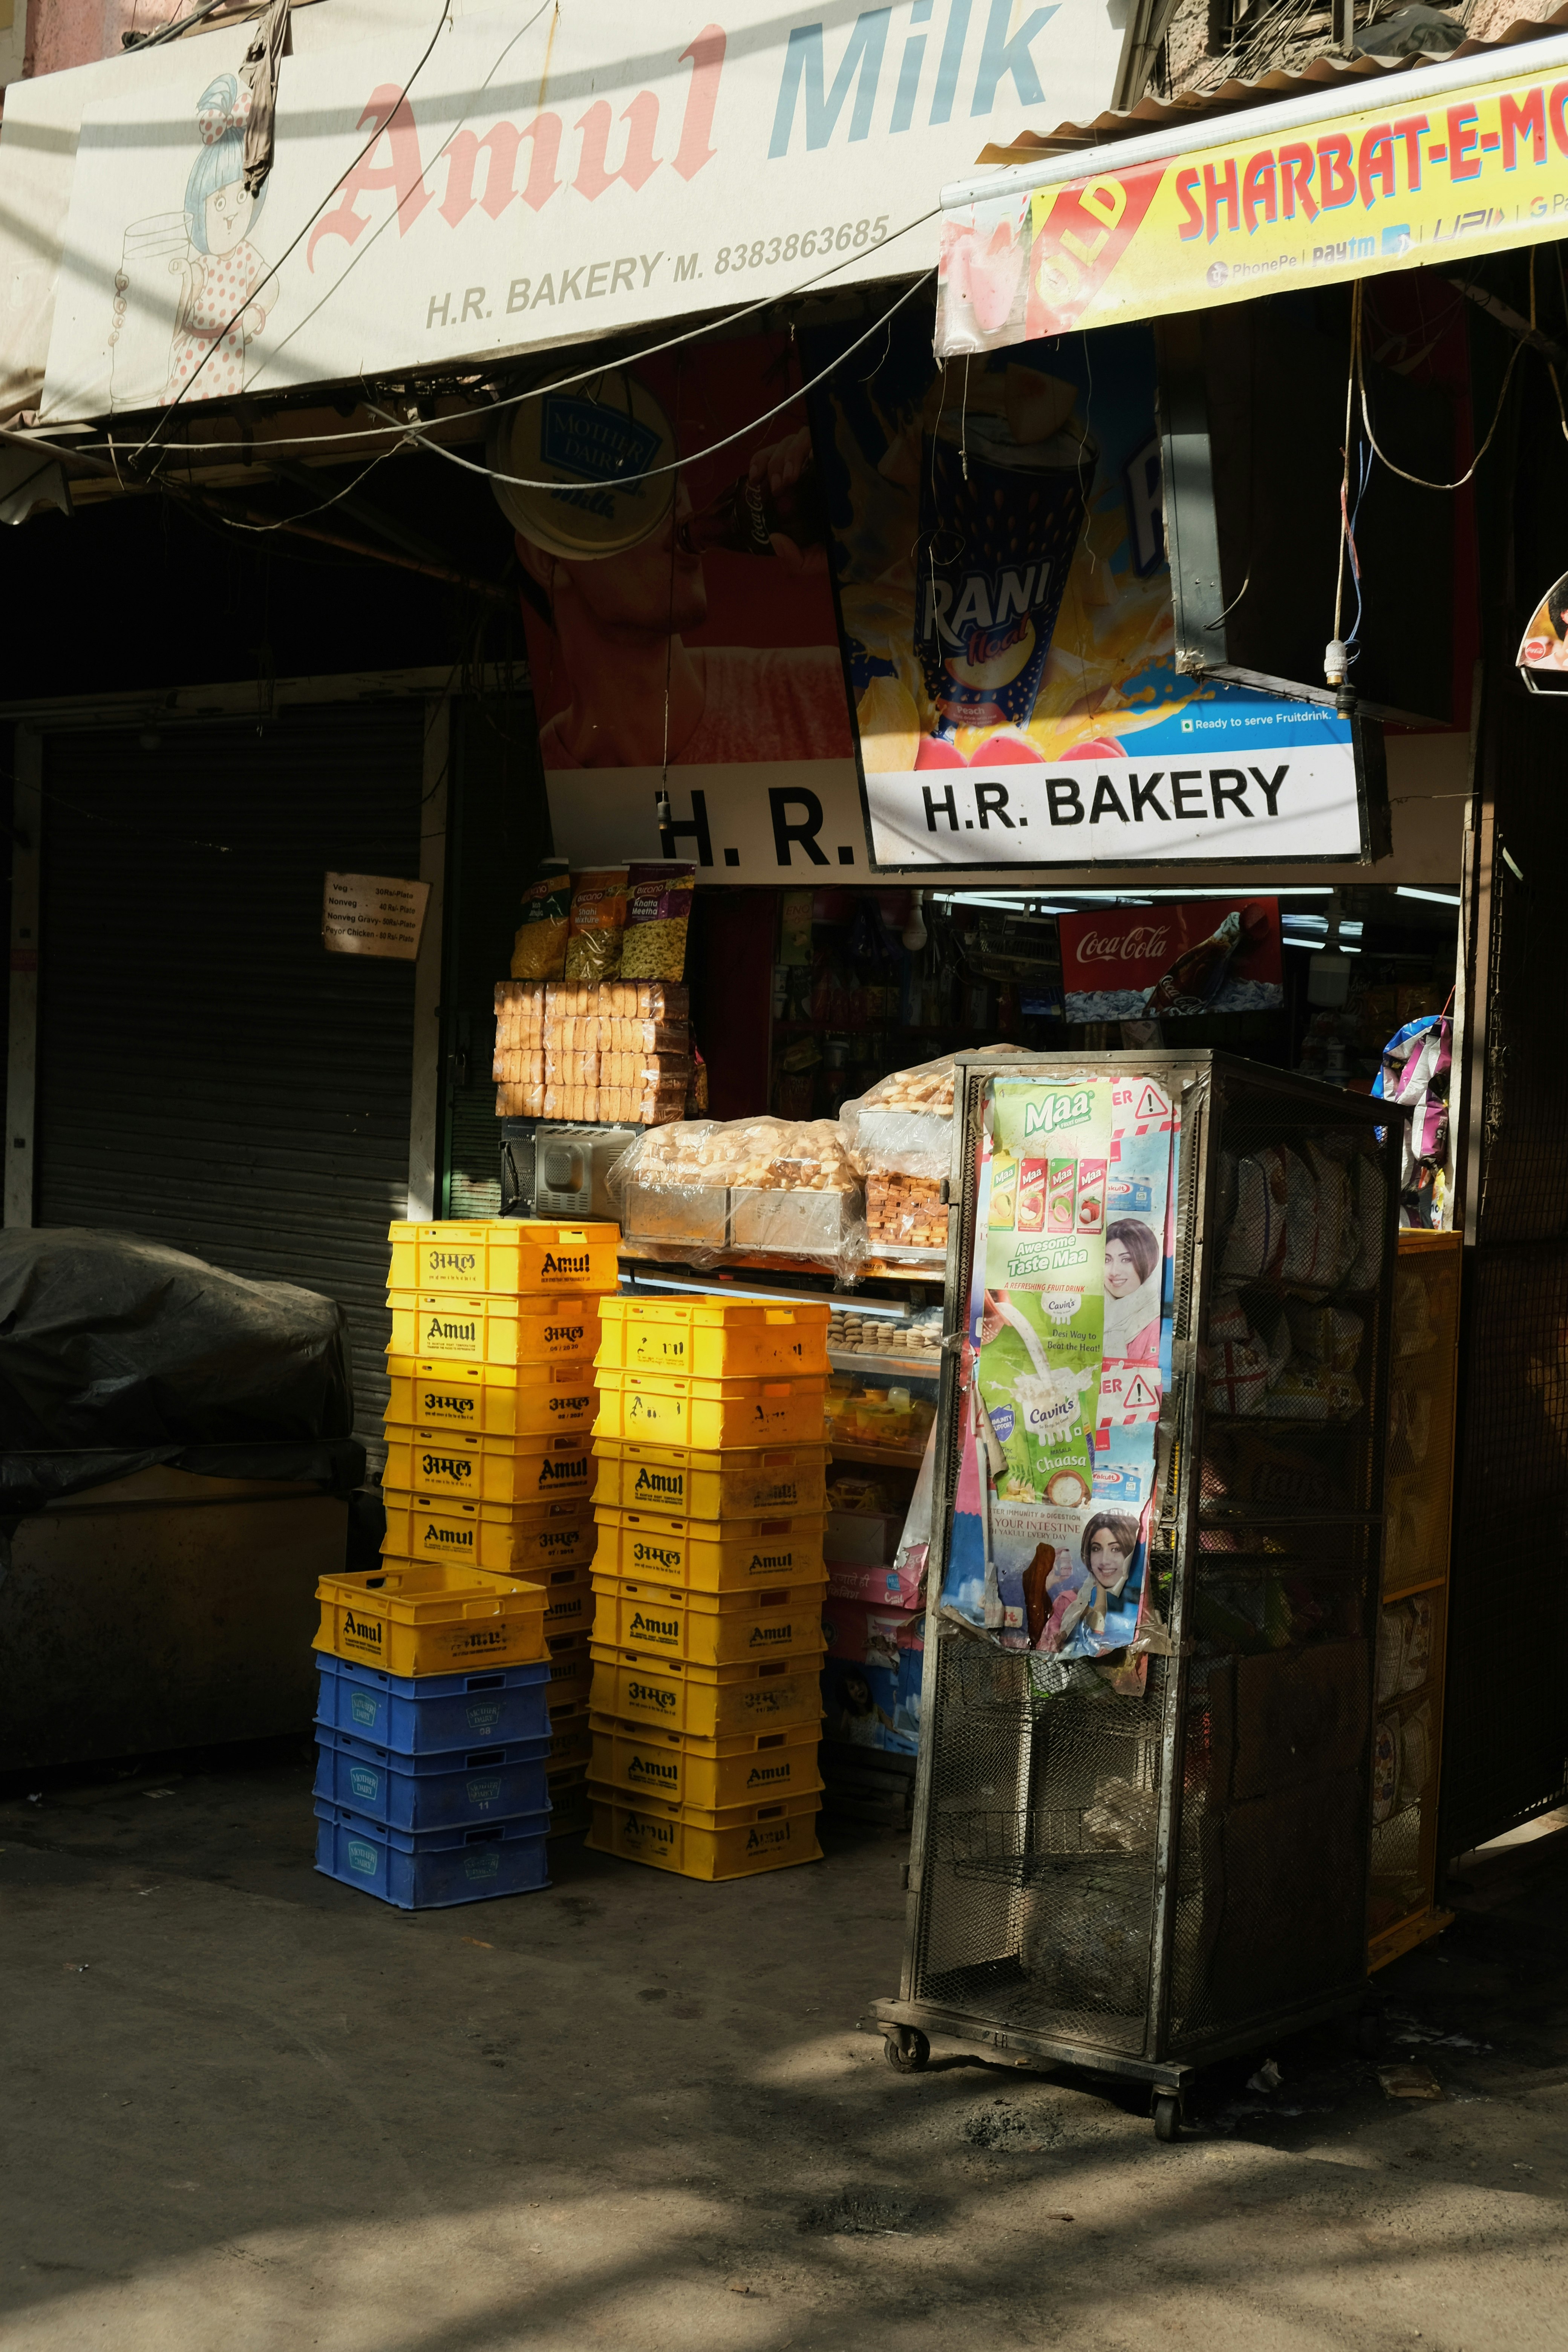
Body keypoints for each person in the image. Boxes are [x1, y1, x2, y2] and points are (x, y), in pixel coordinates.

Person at [516, 422, 853, 769]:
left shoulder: (831, 692)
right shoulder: (540, 785)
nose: (676, 496)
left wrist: (878, 538)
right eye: (628, 486)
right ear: (548, 558)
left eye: (671, 472)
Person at [161, 75, 274, 406]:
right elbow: (189, 290)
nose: (230, 213)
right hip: (194, 353)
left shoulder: (246, 257)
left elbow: (269, 285)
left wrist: (256, 312)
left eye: (241, 196)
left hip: (228, 353)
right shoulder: (205, 263)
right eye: (219, 202)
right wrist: (184, 273)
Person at [1053, 1512, 1141, 1648]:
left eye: (1116, 1549)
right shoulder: (1092, 1582)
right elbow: (1097, 1616)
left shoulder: (1137, 1581)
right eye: (1097, 1549)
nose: (1104, 1560)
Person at [1102, 1217, 1161, 1362]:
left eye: (1126, 1260)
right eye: (1107, 1260)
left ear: (1146, 1261)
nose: (1114, 1272)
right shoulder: (1085, 1309)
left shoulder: (1156, 1323)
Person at [834, 1668, 896, 1746]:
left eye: (860, 1683)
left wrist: (896, 1703)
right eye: (852, 1688)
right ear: (847, 1695)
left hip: (874, 1755)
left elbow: (892, 1726)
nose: (858, 1688)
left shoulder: (876, 1710)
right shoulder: (849, 1714)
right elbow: (842, 1739)